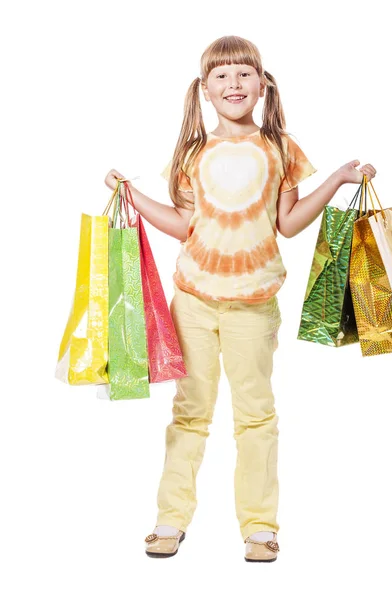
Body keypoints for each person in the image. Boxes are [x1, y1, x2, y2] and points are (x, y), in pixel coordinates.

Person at [104, 35, 376, 563]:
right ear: (205, 90)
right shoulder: (192, 152)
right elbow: (184, 225)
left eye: (243, 73)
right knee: (190, 413)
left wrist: (339, 180)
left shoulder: (280, 148)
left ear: (262, 83)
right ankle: (170, 519)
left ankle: (259, 527)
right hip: (195, 301)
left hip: (253, 303)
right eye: (222, 76)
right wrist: (130, 193)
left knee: (255, 415)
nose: (234, 84)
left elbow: (289, 224)